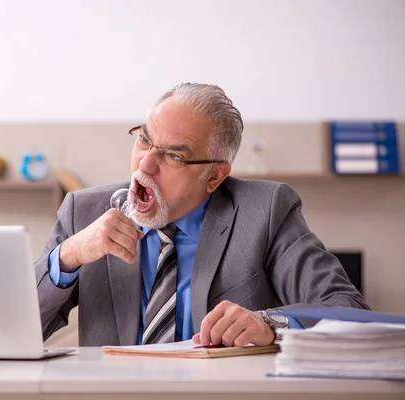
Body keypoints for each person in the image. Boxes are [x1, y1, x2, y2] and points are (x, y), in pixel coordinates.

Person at [35, 82, 369, 347]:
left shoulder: (265, 211)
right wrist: (67, 257)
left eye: (174, 157)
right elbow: (12, 328)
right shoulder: (83, 211)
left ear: (214, 176)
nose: (145, 164)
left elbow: (348, 310)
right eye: (144, 140)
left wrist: (270, 323)